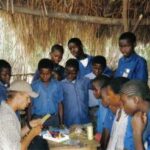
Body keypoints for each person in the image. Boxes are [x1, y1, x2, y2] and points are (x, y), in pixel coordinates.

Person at [0, 80, 43, 150]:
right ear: (18, 95)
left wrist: (29, 125)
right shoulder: (6, 117)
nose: (29, 101)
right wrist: (32, 134)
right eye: (27, 97)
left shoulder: (9, 111)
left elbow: (14, 136)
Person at [31, 58, 63, 127]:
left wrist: (61, 122)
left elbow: (60, 105)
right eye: (42, 74)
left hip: (53, 119)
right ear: (39, 72)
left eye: (47, 74)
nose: (45, 76)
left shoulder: (57, 85)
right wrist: (29, 121)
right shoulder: (34, 86)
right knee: (38, 137)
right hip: (37, 119)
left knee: (54, 137)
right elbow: (30, 105)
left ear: (52, 72)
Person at [120, 80, 150, 150]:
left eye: (124, 102)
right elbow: (127, 145)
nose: (121, 106)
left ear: (135, 100)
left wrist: (137, 133)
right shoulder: (133, 116)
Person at [61, 58, 90, 127]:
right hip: (70, 121)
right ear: (65, 70)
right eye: (68, 73)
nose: (70, 75)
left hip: (85, 120)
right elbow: (60, 104)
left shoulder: (85, 81)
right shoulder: (61, 85)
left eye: (73, 73)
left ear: (78, 72)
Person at [104, 77, 129, 150]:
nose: (107, 97)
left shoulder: (129, 117)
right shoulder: (118, 111)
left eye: (109, 94)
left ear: (119, 96)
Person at [92, 75, 111, 141]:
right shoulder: (100, 101)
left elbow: (107, 127)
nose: (93, 92)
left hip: (106, 137)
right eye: (92, 89)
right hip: (99, 135)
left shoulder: (109, 105)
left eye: (95, 90)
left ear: (104, 89)